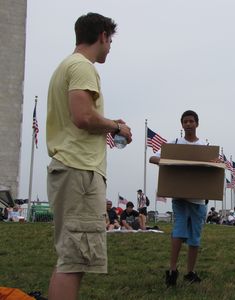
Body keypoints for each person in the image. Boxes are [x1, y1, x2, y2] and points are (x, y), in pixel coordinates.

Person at [46, 13, 133, 300]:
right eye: (110, 41)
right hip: (79, 171)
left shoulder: (65, 66)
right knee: (74, 261)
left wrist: (108, 123)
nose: (110, 47)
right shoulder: (83, 67)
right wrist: (117, 126)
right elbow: (83, 116)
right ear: (103, 36)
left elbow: (81, 117)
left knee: (69, 258)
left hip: (70, 169)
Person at [149, 110, 211, 287]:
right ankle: (172, 270)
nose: (188, 124)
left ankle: (190, 272)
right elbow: (153, 158)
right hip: (179, 198)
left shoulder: (204, 146)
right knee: (179, 232)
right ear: (182, 125)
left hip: (199, 200)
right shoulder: (174, 144)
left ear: (197, 124)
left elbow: (213, 167)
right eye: (185, 121)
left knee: (195, 238)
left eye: (191, 121)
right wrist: (166, 162)